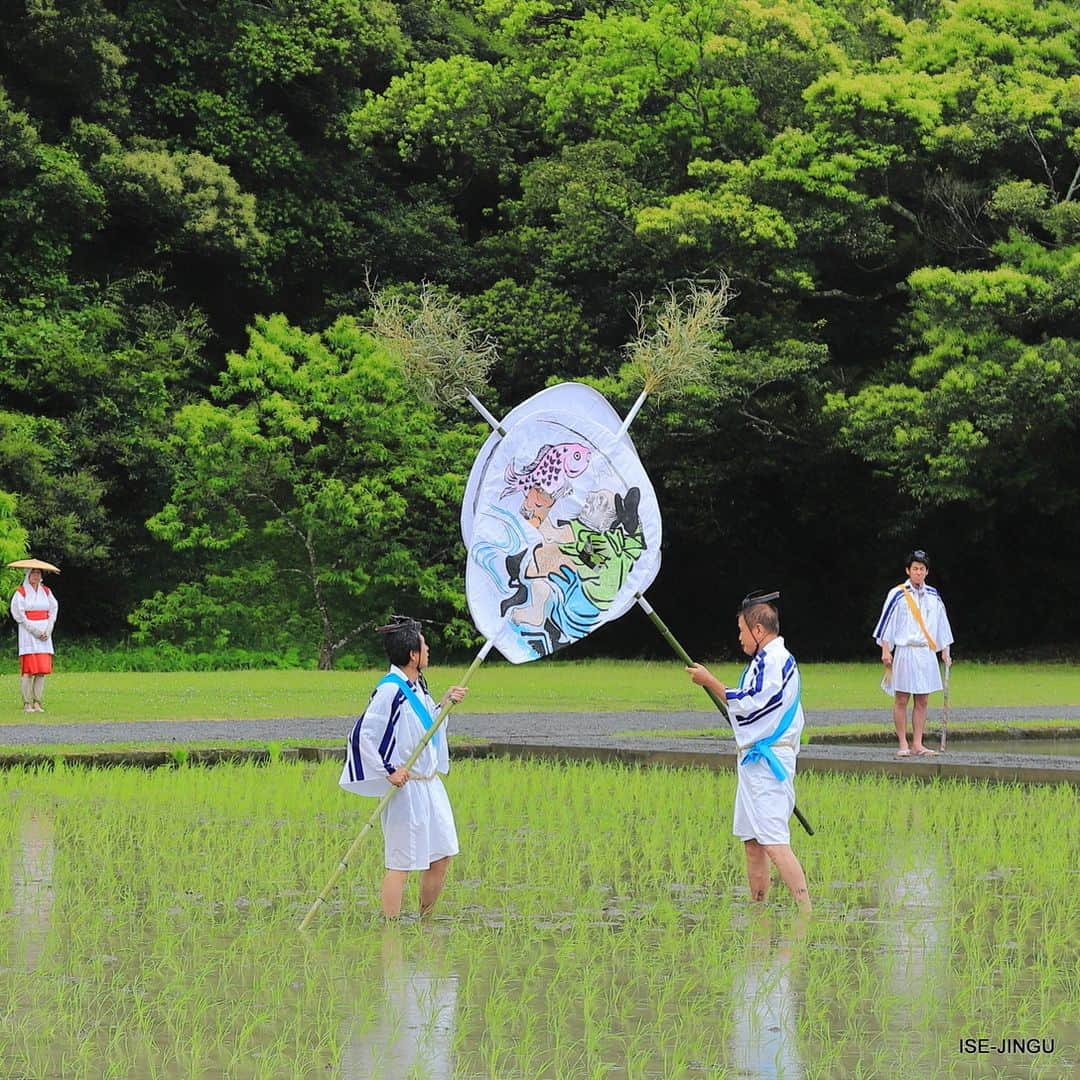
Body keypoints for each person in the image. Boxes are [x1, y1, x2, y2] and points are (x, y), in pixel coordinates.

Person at [686, 591, 811, 912]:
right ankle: (759, 909)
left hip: (769, 765)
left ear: (758, 630)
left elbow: (755, 702)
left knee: (773, 841)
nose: (739, 637)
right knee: (753, 843)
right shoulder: (765, 660)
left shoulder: (775, 660)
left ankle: (806, 912)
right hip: (755, 762)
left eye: (742, 630)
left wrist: (710, 681)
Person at [339, 616, 468, 918]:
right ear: (413, 655)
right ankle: (391, 932)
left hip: (429, 783)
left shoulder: (417, 687)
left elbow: (422, 728)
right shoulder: (390, 690)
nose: (428, 650)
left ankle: (426, 921)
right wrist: (389, 770)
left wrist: (445, 704)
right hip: (406, 787)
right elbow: (362, 735)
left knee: (442, 856)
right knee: (402, 862)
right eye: (424, 646)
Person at [873, 549, 954, 758]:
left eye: (922, 569)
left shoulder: (934, 595)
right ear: (908, 570)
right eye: (915, 568)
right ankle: (903, 743)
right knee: (901, 698)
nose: (918, 572)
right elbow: (886, 623)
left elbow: (942, 624)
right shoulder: (898, 594)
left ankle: (918, 743)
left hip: (926, 652)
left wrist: (945, 649)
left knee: (923, 700)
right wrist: (885, 649)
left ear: (927, 572)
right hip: (906, 651)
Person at [10, 567, 59, 713]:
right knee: (29, 670)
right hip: (28, 633)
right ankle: (27, 702)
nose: (36, 576)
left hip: (44, 633)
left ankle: (37, 701)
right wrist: (34, 630)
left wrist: (49, 628)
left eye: (38, 573)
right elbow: (18, 614)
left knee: (41, 670)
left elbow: (53, 609)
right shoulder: (21, 592)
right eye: (33, 573)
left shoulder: (46, 591)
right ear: (28, 575)